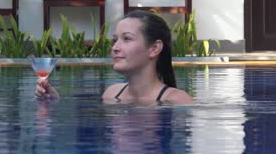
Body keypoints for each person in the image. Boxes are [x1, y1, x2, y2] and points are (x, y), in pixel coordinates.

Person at [35, 10, 194, 105]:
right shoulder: (111, 94)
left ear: (154, 48)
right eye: (114, 40)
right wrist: (53, 100)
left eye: (127, 39)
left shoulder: (177, 101)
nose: (115, 47)